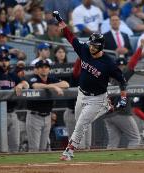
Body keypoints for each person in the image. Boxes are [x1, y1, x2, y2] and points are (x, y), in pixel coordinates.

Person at [53, 11, 128, 161]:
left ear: (101, 47)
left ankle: (69, 151)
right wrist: (60, 20)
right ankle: (107, 107)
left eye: (94, 45)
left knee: (81, 124)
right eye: (91, 44)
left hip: (97, 98)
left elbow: (122, 80)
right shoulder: (85, 50)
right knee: (79, 121)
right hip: (82, 94)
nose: (91, 47)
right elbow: (70, 37)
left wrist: (124, 97)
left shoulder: (109, 63)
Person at [104, 39, 144, 149]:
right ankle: (131, 164)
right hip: (121, 113)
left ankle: (108, 165)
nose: (122, 68)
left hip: (108, 114)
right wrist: (140, 48)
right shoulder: (122, 75)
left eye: (123, 66)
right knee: (135, 138)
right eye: (120, 66)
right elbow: (132, 63)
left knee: (112, 143)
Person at [0, 54, 29, 153]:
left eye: (6, 60)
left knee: (15, 144)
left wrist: (20, 84)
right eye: (1, 60)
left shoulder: (12, 75)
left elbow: (26, 85)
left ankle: (13, 168)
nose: (4, 62)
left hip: (12, 112)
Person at [26, 60, 69, 151]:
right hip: (34, 116)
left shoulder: (50, 79)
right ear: (37, 69)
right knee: (34, 149)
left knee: (43, 148)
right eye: (41, 67)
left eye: (46, 67)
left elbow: (66, 84)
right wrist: (53, 87)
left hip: (47, 117)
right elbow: (35, 85)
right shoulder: (33, 78)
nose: (44, 69)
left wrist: (52, 85)